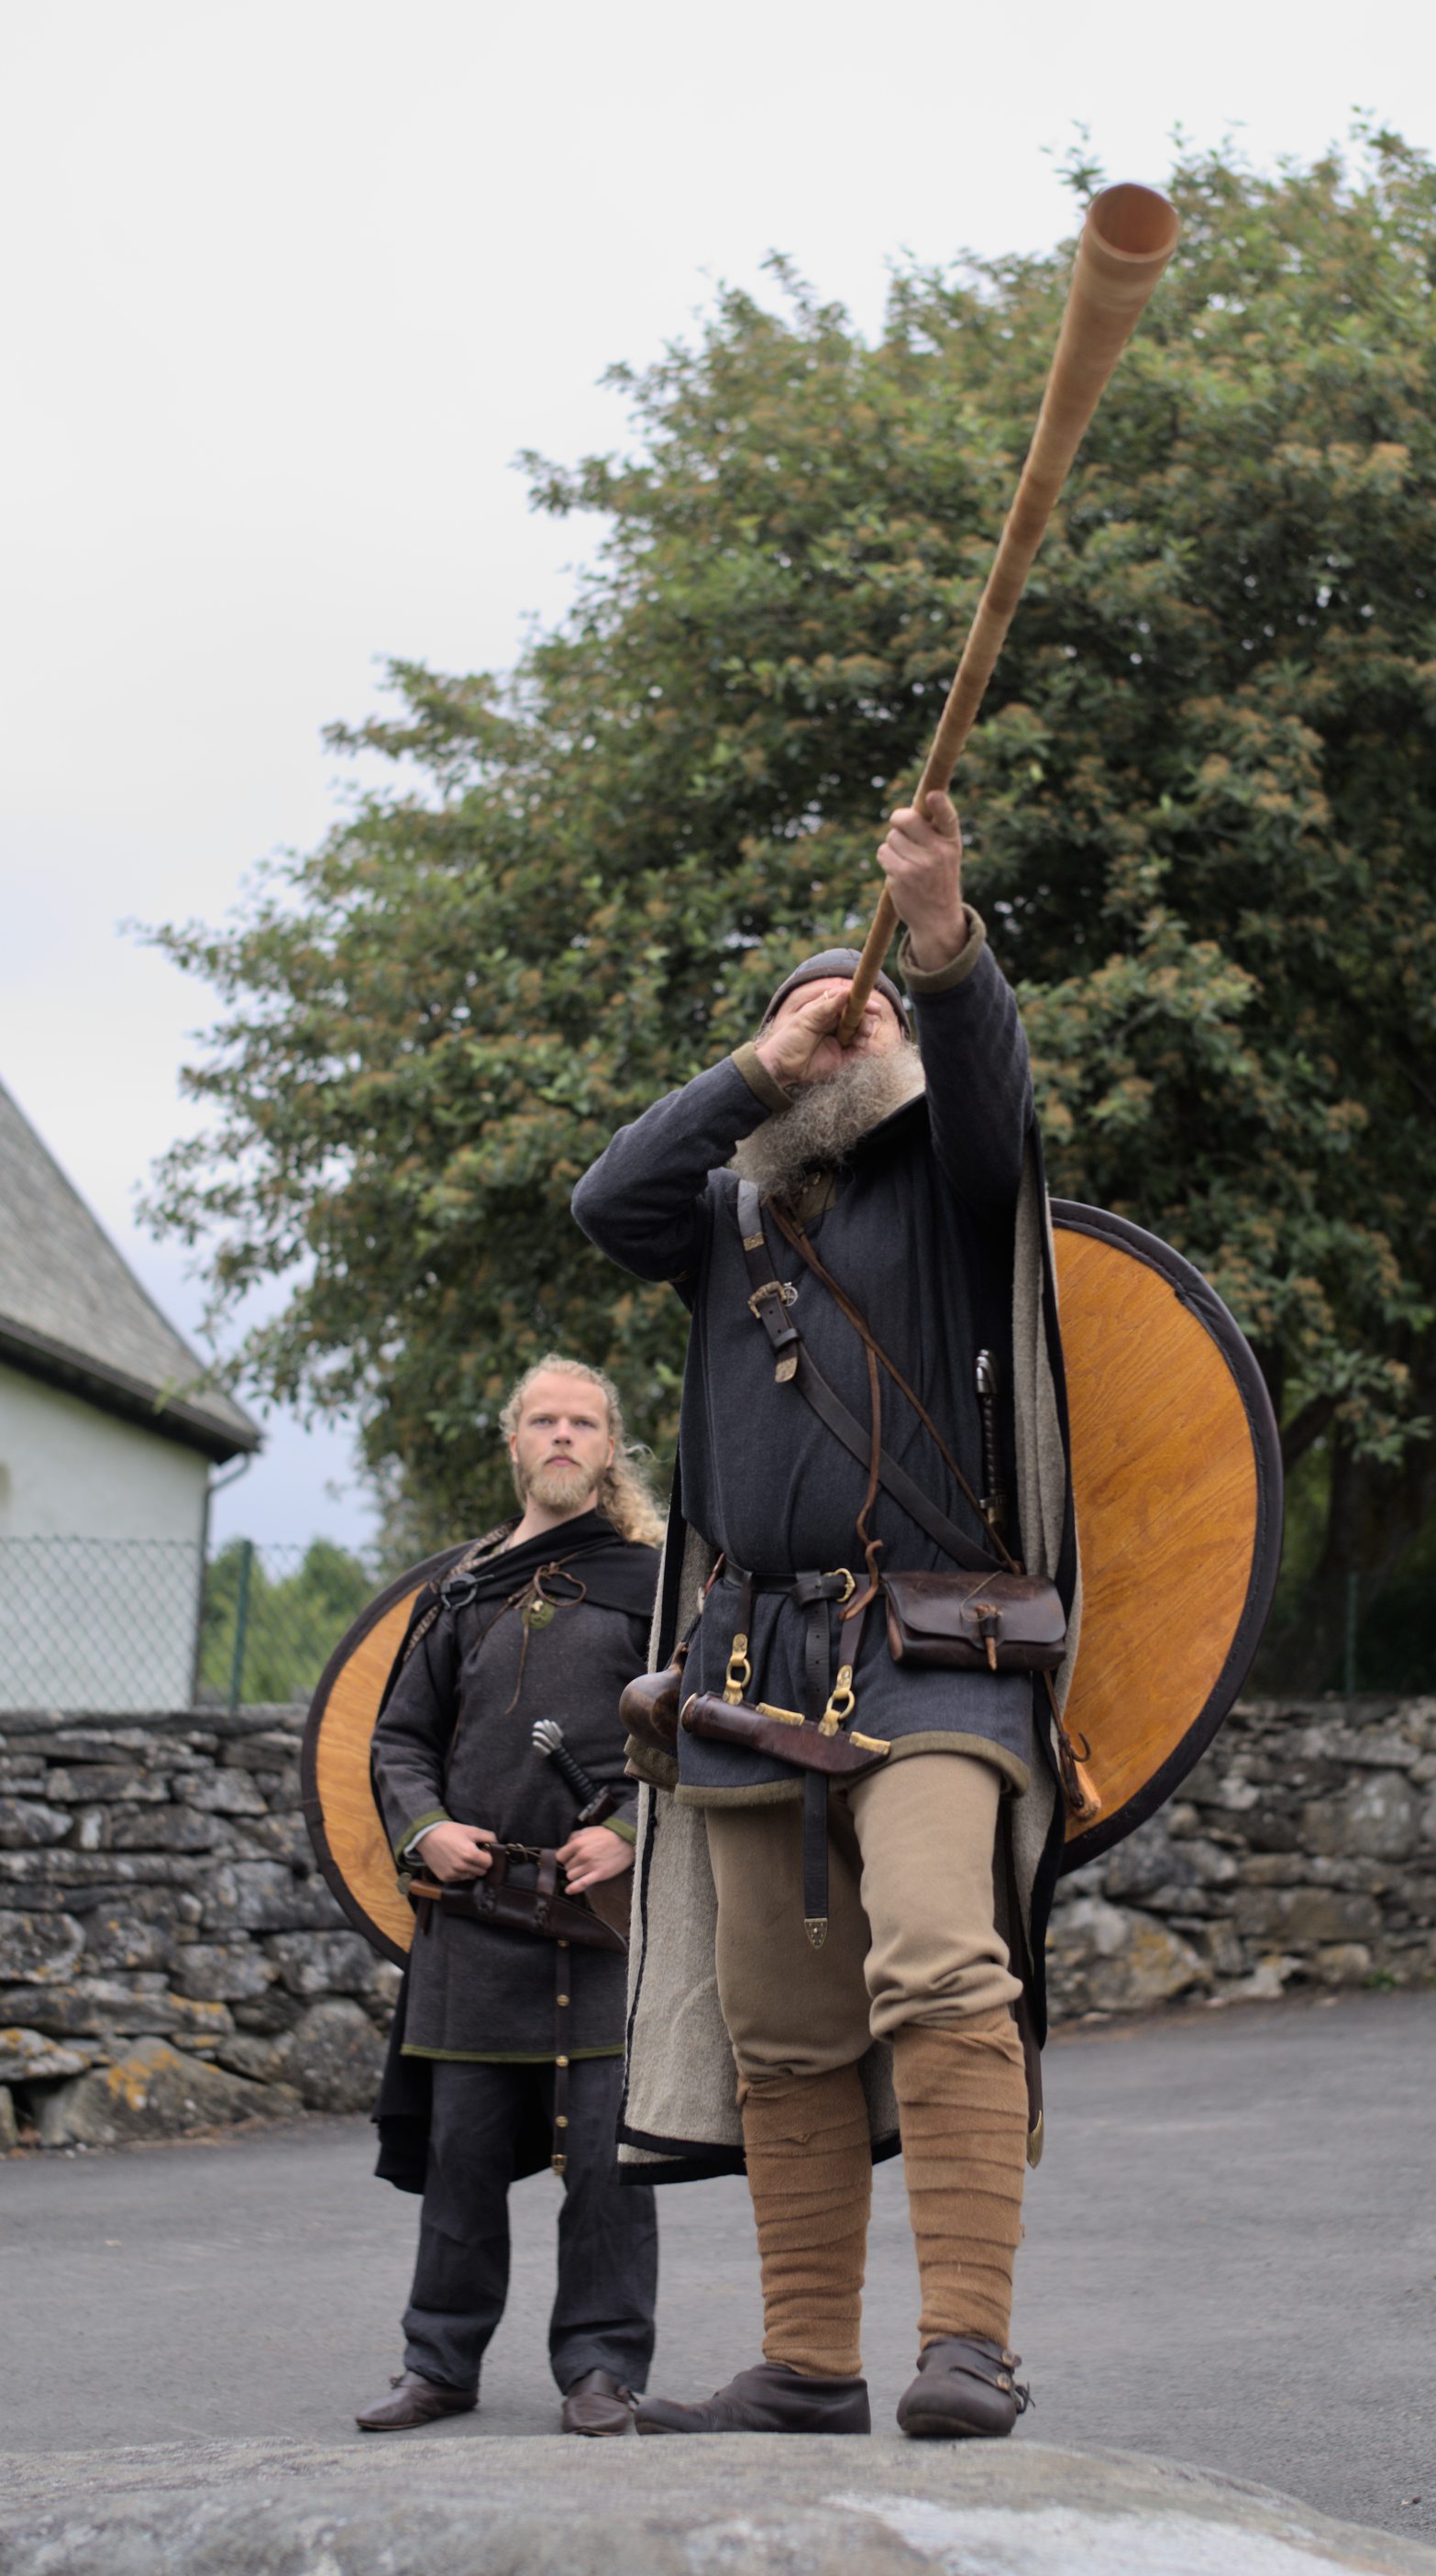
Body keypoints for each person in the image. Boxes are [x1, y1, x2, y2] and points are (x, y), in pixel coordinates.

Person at [571, 790, 1077, 2440]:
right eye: (813, 1024)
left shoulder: (952, 1180)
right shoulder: (721, 1216)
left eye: (858, 1024)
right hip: (747, 1662)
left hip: (935, 1647)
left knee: (938, 1957)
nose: (837, 1038)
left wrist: (937, 945)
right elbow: (604, 1200)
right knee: (781, 2027)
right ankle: (808, 2362)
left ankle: (970, 2345)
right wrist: (760, 1063)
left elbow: (991, 1104)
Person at [356, 1356, 664, 2438]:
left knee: (607, 2171)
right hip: (476, 1923)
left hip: (600, 1930)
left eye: (582, 1421)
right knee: (461, 2161)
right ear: (514, 1442)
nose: (563, 1436)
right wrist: (425, 1828)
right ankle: (438, 2365)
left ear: (610, 1446)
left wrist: (626, 1830)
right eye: (543, 1420)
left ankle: (601, 2371)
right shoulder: (461, 1592)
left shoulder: (654, 1586)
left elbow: (692, 1734)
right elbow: (397, 1738)